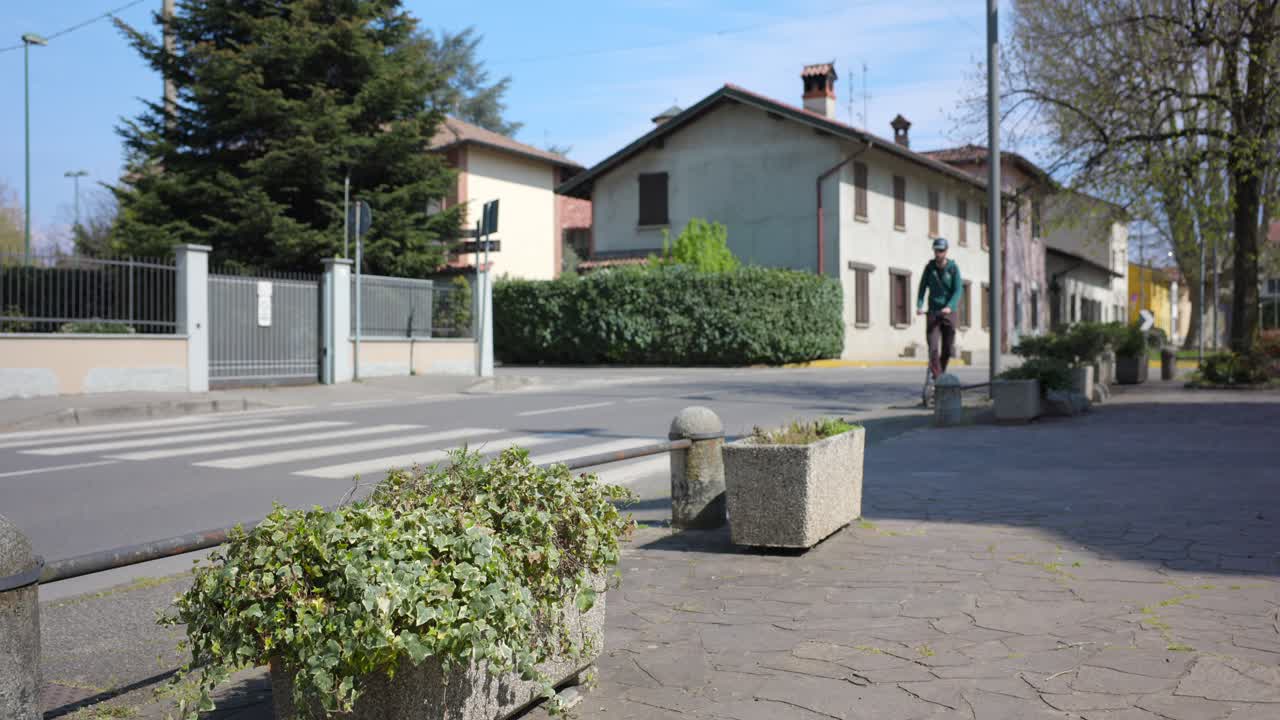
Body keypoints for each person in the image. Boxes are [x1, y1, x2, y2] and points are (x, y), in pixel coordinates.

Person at [917, 237, 962, 379]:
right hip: (933, 312)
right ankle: (937, 377)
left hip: (949, 312)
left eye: (941, 251)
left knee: (948, 349)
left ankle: (940, 373)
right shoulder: (929, 268)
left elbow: (958, 290)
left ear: (946, 251)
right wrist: (919, 305)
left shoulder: (953, 268)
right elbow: (922, 287)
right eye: (936, 250)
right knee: (933, 347)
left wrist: (950, 306)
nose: (938, 253)